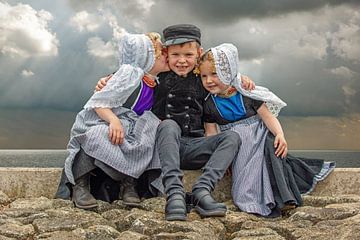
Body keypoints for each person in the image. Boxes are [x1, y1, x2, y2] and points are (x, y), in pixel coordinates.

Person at [95, 24, 256, 221]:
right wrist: (108, 79)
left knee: (232, 137)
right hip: (163, 148)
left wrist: (240, 79)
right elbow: (133, 71)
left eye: (188, 55)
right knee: (169, 124)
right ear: (166, 54)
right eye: (175, 55)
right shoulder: (158, 76)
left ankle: (202, 190)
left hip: (195, 146)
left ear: (199, 52)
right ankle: (175, 193)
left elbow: (223, 78)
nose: (181, 61)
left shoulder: (204, 78)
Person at [198, 43, 335, 217]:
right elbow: (211, 134)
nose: (209, 80)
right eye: (204, 76)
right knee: (244, 185)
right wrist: (219, 158)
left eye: (214, 74)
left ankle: (284, 199)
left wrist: (279, 134)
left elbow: (268, 116)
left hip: (261, 137)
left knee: (272, 158)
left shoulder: (247, 93)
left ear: (229, 71)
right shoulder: (209, 104)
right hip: (238, 146)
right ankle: (256, 202)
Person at [55, 32, 169, 209]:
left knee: (148, 138)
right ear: (148, 57)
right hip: (107, 119)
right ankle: (81, 185)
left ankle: (129, 185)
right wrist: (113, 120)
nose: (166, 57)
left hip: (135, 126)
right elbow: (98, 102)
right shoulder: (130, 75)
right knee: (95, 135)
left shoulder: (155, 82)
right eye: (162, 54)